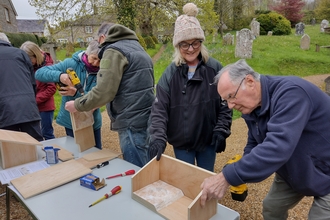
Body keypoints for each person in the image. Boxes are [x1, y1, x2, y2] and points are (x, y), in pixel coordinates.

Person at [200, 59, 330, 219]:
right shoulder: (251, 107)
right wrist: (241, 168)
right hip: (294, 170)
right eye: (225, 101)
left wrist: (226, 177)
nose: (230, 106)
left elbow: (277, 147)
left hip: (326, 168)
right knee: (272, 208)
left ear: (249, 81)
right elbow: (254, 141)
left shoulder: (292, 94)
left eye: (231, 96)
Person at [147, 3, 232, 172]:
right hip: (182, 144)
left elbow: (226, 103)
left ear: (201, 42)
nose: (191, 49)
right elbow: (159, 109)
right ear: (178, 46)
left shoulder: (215, 69)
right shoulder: (170, 75)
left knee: (205, 179)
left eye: (195, 43)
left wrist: (222, 129)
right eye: (184, 44)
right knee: (186, 181)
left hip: (208, 141)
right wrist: (157, 137)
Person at [65, 23, 155, 167]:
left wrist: (77, 105)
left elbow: (104, 91)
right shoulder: (136, 47)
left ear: (102, 38)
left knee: (136, 168)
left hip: (130, 119)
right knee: (147, 164)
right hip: (146, 115)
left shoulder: (114, 50)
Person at [35, 40, 103, 149]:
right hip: (71, 121)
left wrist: (75, 92)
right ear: (87, 53)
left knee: (96, 152)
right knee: (76, 153)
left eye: (100, 60)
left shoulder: (103, 71)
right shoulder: (71, 64)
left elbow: (98, 99)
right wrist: (60, 76)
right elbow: (39, 73)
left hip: (92, 121)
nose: (96, 63)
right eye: (94, 58)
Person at [0, 33, 43, 141]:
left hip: (4, 111)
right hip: (28, 107)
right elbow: (32, 82)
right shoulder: (20, 53)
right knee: (36, 144)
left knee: (10, 147)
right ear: (7, 42)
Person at [20, 41, 56, 140]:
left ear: (35, 55)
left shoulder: (48, 66)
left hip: (45, 107)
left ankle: (53, 154)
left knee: (47, 133)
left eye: (29, 59)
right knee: (34, 134)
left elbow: (51, 88)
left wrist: (34, 100)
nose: (27, 62)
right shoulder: (30, 66)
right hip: (32, 106)